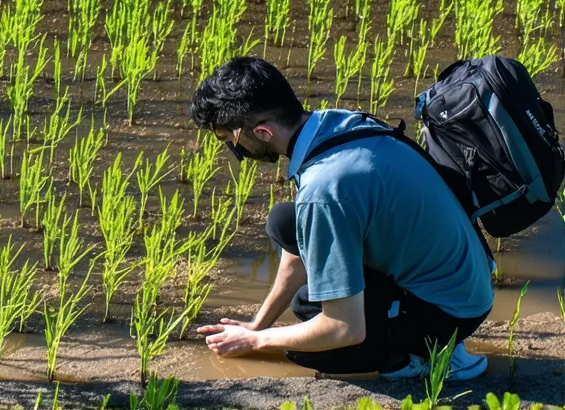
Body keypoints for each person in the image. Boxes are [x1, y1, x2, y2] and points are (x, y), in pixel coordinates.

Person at [189, 56, 493, 378]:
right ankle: (414, 329)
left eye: (232, 144)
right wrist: (257, 324)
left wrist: (259, 341)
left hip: (452, 311)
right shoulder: (334, 125)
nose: (237, 155)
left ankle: (424, 357)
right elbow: (299, 253)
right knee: (285, 221)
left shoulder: (323, 189)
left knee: (311, 317)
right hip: (466, 279)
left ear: (263, 132)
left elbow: (343, 328)